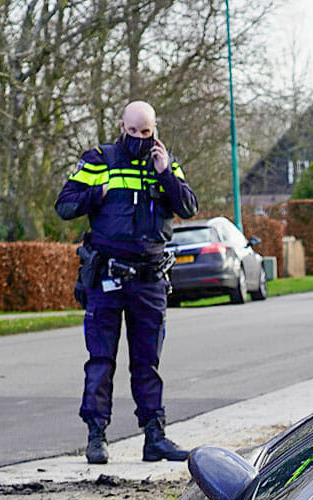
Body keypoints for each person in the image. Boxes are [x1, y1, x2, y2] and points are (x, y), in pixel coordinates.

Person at [54, 100, 196, 464]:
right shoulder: (100, 160)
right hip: (107, 276)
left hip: (149, 279)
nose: (139, 138)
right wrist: (95, 194)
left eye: (145, 132)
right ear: (121, 126)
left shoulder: (164, 162)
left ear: (155, 130)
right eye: (132, 131)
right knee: (101, 360)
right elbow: (65, 205)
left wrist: (166, 173)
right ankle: (97, 436)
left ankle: (154, 436)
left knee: (147, 362)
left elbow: (189, 207)